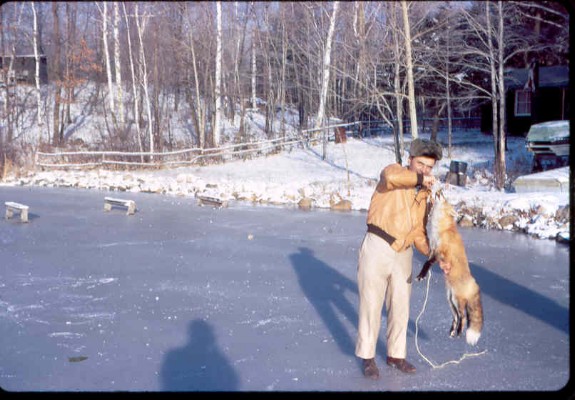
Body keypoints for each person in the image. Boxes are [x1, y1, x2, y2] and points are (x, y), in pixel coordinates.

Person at [355, 138, 451, 380]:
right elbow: (391, 179)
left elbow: (418, 231)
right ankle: (367, 357)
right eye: (420, 164)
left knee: (401, 306)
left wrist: (433, 255)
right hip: (378, 245)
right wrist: (419, 179)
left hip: (404, 253)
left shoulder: (425, 193)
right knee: (371, 304)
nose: (425, 170)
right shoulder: (393, 172)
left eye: (429, 167)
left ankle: (396, 355)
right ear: (410, 160)